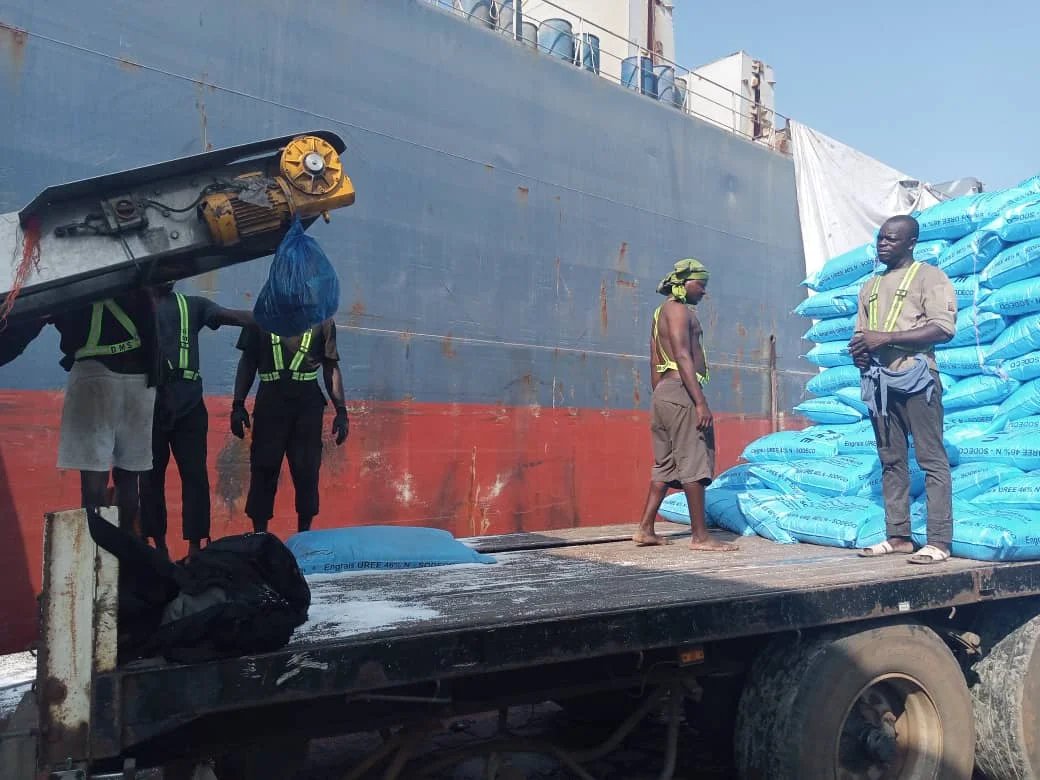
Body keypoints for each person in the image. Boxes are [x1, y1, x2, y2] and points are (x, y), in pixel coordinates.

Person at [0, 293, 158, 529]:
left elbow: (22, 331)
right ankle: (126, 553)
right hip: (139, 382)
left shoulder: (68, 281)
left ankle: (97, 553)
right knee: (128, 479)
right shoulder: (131, 272)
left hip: (93, 376)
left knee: (94, 480)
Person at [851, 215, 957, 564]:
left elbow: (943, 328)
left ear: (911, 242)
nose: (883, 244)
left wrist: (888, 338)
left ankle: (939, 541)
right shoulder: (869, 286)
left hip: (917, 379)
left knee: (930, 459)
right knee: (891, 461)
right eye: (880, 238)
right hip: (880, 383)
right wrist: (860, 353)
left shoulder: (929, 277)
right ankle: (898, 536)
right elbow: (862, 332)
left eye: (891, 239)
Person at [138, 282, 255, 558]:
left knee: (190, 476)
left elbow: (233, 317)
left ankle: (194, 547)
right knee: (153, 477)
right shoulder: (137, 306)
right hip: (151, 402)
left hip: (186, 405)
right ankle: (159, 546)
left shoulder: (193, 305)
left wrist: (270, 316)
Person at [633, 259, 737, 552]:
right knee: (694, 460)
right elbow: (682, 353)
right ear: (684, 283)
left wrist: (661, 395)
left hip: (664, 392)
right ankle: (700, 537)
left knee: (665, 464)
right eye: (701, 285)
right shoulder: (678, 311)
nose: (704, 292)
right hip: (682, 391)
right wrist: (699, 402)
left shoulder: (659, 313)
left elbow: (655, 360)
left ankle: (645, 529)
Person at [231, 319, 348, 534]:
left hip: (307, 406)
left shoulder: (322, 320)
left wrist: (341, 410)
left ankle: (304, 536)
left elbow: (331, 366)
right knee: (263, 470)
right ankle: (260, 537)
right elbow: (247, 361)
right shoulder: (258, 316)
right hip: (270, 403)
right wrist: (238, 404)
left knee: (307, 473)